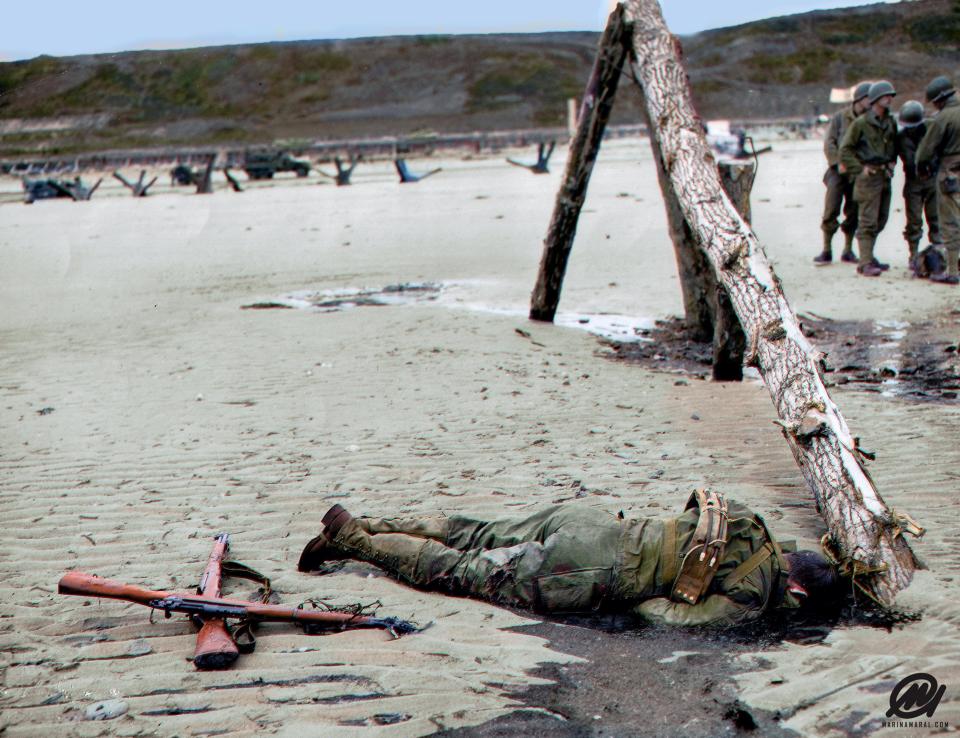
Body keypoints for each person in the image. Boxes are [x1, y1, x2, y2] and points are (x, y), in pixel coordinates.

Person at [298, 490, 840, 628]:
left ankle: (371, 520)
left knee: (475, 532)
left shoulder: (752, 527)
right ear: (795, 591)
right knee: (463, 574)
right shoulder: (748, 598)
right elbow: (662, 616)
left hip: (593, 520)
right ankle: (352, 537)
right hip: (593, 568)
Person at [840, 80, 899, 277]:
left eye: (891, 95)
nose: (889, 98)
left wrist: (892, 162)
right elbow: (845, 150)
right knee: (867, 221)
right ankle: (864, 262)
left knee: (881, 219)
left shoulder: (890, 122)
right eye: (885, 96)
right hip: (868, 177)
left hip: (884, 176)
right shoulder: (861, 123)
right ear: (874, 99)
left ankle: (869, 256)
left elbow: (893, 145)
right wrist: (859, 169)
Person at [816, 81, 872, 265]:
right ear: (859, 99)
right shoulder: (840, 117)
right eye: (867, 98)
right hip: (838, 172)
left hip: (856, 172)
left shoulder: (869, 120)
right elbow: (829, 142)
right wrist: (837, 163)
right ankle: (826, 249)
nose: (871, 102)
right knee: (831, 209)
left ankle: (848, 250)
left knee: (854, 211)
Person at [916, 76, 960, 285]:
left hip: (950, 176)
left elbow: (924, 153)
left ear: (939, 100)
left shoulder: (942, 118)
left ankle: (952, 270)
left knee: (951, 224)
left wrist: (922, 168)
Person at [897, 100, 942, 273]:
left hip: (931, 179)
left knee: (935, 217)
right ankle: (913, 254)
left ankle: (939, 251)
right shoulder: (900, 137)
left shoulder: (931, 129)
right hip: (913, 181)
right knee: (914, 220)